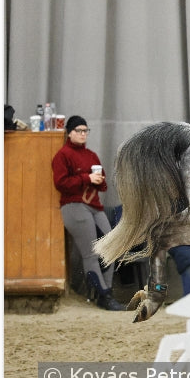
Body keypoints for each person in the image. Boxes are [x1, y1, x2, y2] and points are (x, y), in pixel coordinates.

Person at [52, 115, 125, 311]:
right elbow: (61, 183)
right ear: (69, 133)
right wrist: (87, 178)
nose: (83, 134)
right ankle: (103, 295)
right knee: (91, 253)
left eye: (85, 131)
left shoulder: (91, 155)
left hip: (95, 205)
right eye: (79, 131)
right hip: (74, 205)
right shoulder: (62, 155)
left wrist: (99, 180)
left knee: (110, 248)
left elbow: (103, 186)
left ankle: (106, 293)